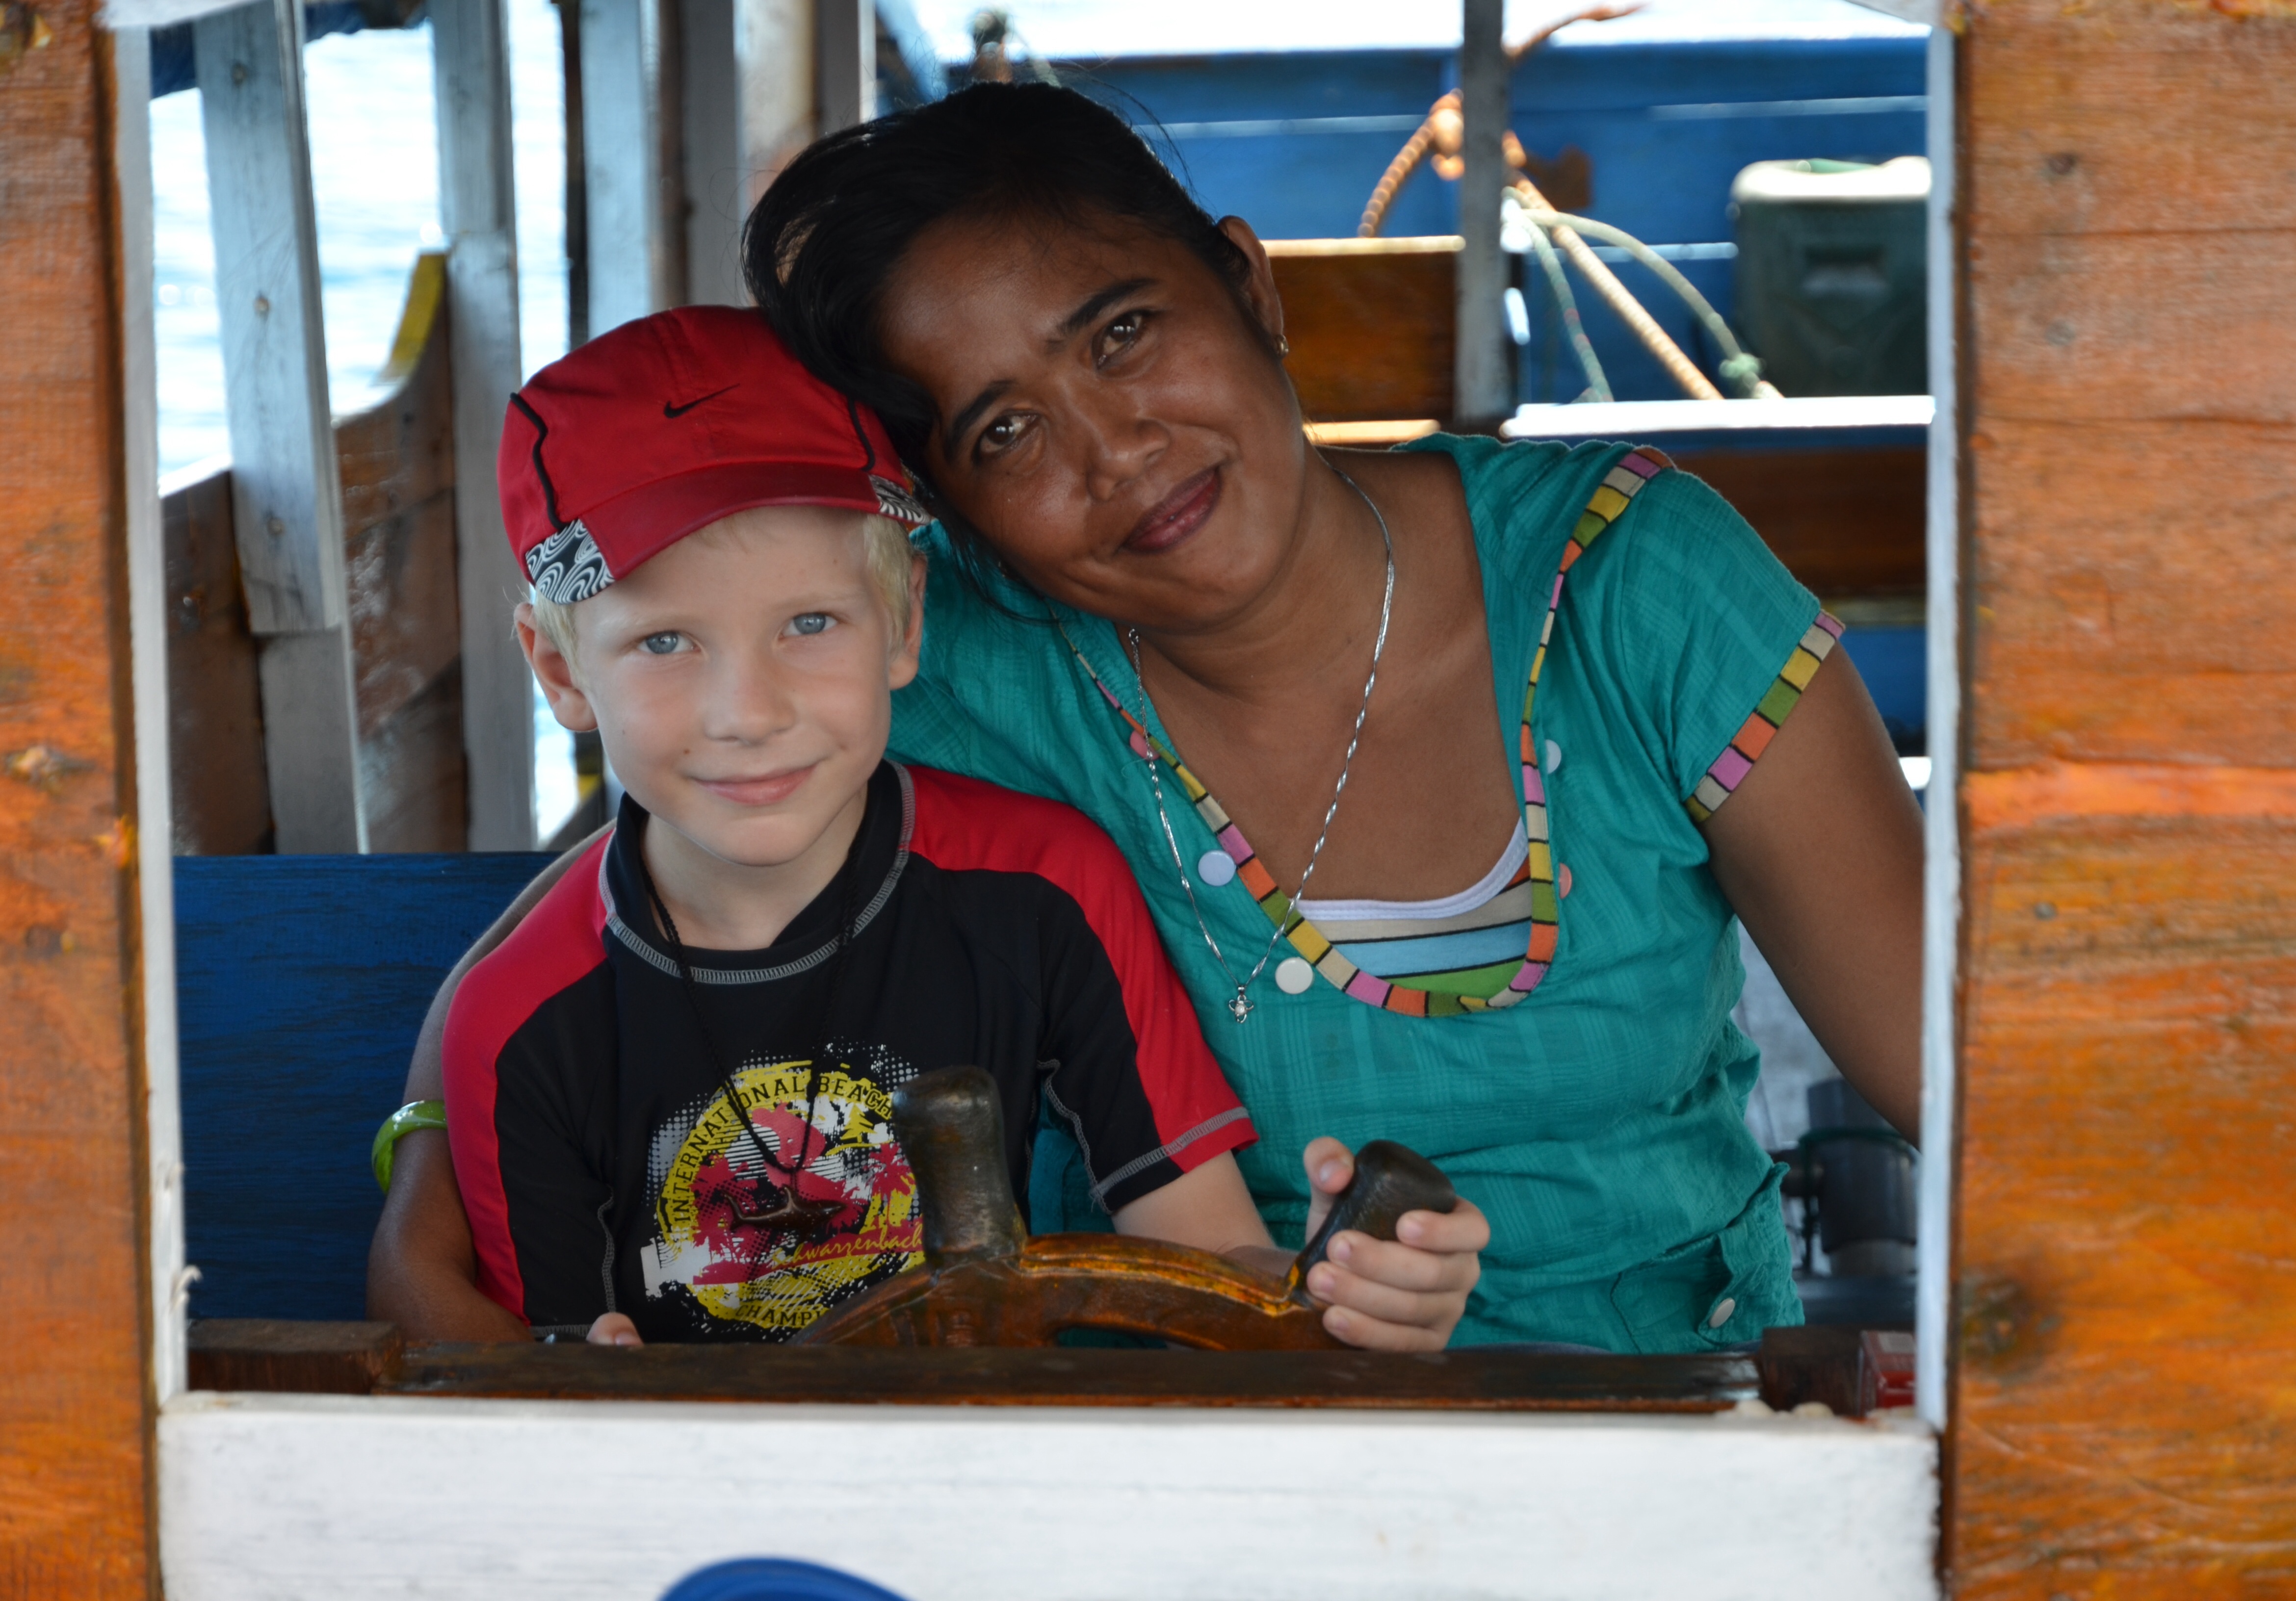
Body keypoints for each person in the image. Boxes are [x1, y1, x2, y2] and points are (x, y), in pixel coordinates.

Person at [375, 82, 1919, 1353]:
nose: (1112, 450)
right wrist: (428, 1193)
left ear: (1249, 287)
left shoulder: (1635, 588)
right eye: (1003, 431)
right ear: (950, 519)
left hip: (1671, 1418)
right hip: (1168, 1453)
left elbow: (1960, 1091)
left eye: (1120, 334)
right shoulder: (937, 670)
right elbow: (617, 892)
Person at [405, 305, 1481, 1347]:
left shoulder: (1043, 890)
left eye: (810, 623)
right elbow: (546, 1383)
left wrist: (1350, 1303)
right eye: (664, 643)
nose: (749, 713)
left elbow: (1205, 1261)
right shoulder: (518, 1024)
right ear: (560, 672)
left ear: (904, 621)